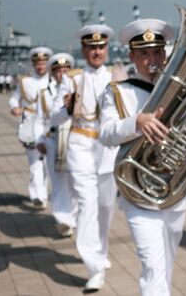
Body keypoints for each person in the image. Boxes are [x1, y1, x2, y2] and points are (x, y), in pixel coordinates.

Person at [99, 19, 186, 295]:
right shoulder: (118, 91)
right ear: (132, 57)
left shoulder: (183, 93)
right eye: (144, 54)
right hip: (138, 193)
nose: (152, 60)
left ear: (165, 55)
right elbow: (105, 134)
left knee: (166, 262)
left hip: (175, 192)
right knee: (152, 266)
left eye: (157, 52)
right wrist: (135, 123)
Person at [51, 25, 117, 292]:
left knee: (105, 208)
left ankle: (100, 252)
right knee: (88, 207)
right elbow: (53, 117)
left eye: (101, 47)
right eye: (92, 48)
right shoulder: (72, 78)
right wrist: (67, 106)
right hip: (80, 146)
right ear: (84, 50)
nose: (97, 52)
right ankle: (94, 268)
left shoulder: (117, 77)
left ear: (107, 50)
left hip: (108, 150)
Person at [34, 53, 78, 237]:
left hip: (73, 141)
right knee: (59, 182)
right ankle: (63, 219)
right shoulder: (45, 95)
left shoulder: (78, 89)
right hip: (53, 141)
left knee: (75, 182)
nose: (62, 74)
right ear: (52, 74)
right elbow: (39, 120)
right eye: (58, 71)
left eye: (65, 70)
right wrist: (40, 141)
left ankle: (72, 216)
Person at [9, 47, 52, 209]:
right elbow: (13, 99)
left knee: (49, 162)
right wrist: (15, 107)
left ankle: (45, 194)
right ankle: (38, 196)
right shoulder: (25, 82)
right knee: (35, 161)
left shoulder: (54, 81)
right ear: (33, 64)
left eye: (43, 63)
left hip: (49, 124)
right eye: (38, 63)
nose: (40, 66)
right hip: (31, 124)